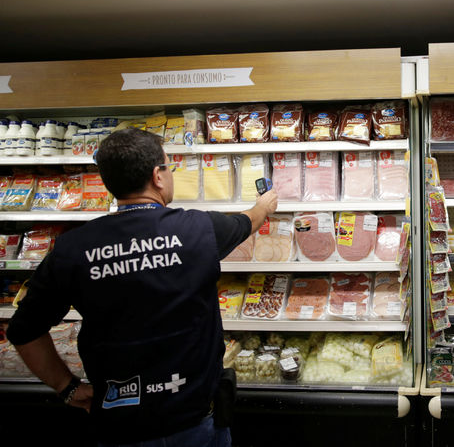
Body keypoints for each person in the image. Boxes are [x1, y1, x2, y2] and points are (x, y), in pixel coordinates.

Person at [7, 129, 278, 446]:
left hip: (119, 423)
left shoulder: (73, 249)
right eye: (168, 166)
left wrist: (66, 387)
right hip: (195, 420)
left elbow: (23, 330)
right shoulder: (198, 228)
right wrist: (264, 204)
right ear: (157, 176)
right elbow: (248, 221)